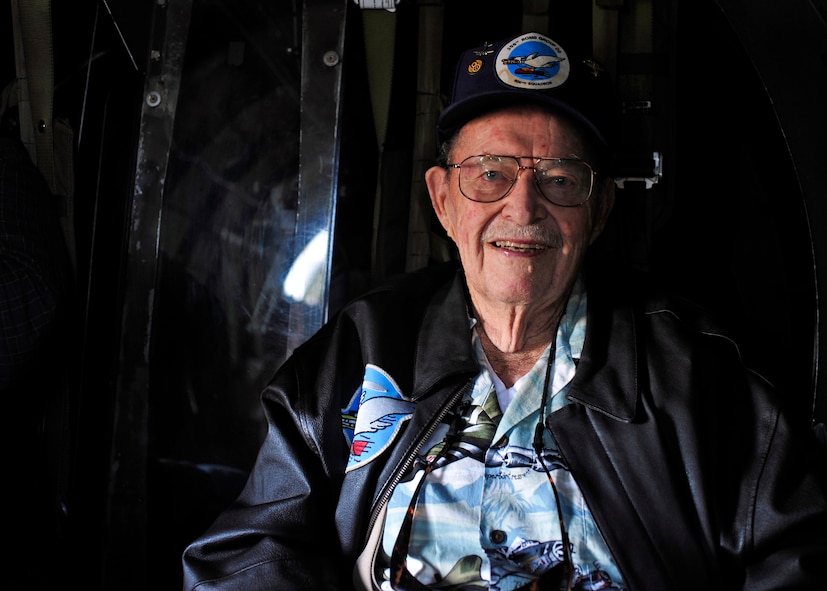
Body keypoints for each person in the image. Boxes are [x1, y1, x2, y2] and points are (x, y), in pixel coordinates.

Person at [181, 32, 827, 591]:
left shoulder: (701, 379)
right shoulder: (361, 351)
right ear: (443, 200)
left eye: (559, 178)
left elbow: (799, 556)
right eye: (490, 173)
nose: (522, 208)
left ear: (598, 211)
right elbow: (239, 556)